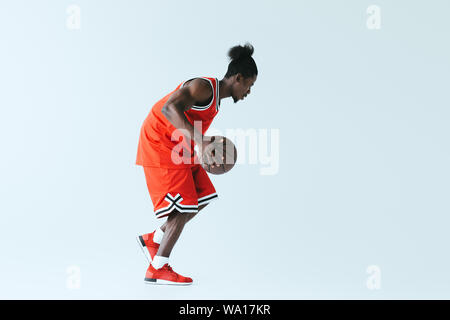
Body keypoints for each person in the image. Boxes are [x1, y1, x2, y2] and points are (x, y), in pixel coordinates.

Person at [135, 43, 258, 285]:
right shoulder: (203, 86)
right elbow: (168, 108)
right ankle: (158, 268)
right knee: (184, 206)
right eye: (249, 85)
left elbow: (187, 122)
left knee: (202, 196)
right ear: (238, 78)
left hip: (179, 146)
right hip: (160, 143)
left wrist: (203, 142)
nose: (248, 91)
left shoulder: (214, 101)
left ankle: (155, 238)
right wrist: (201, 141)